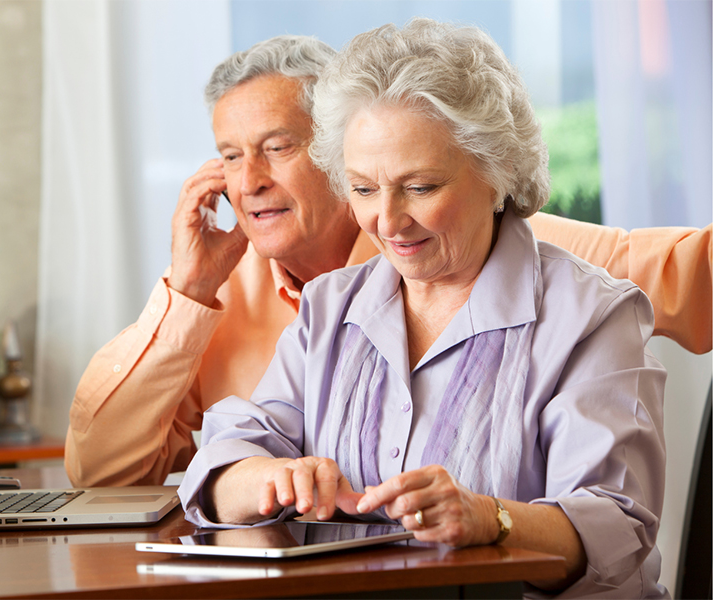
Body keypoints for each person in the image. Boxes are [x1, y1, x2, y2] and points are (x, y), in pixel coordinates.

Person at [64, 34, 710, 490]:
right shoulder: (214, 300)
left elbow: (691, 273)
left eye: (277, 147)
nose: (249, 181)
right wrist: (188, 288)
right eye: (230, 156)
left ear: (343, 146)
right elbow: (101, 470)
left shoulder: (487, 244)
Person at [178, 19, 667, 598]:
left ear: (497, 172)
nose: (387, 221)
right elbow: (229, 455)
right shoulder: (332, 305)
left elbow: (614, 526)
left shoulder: (593, 314)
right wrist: (265, 478)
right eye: (362, 189)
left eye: (420, 187)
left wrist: (491, 519)